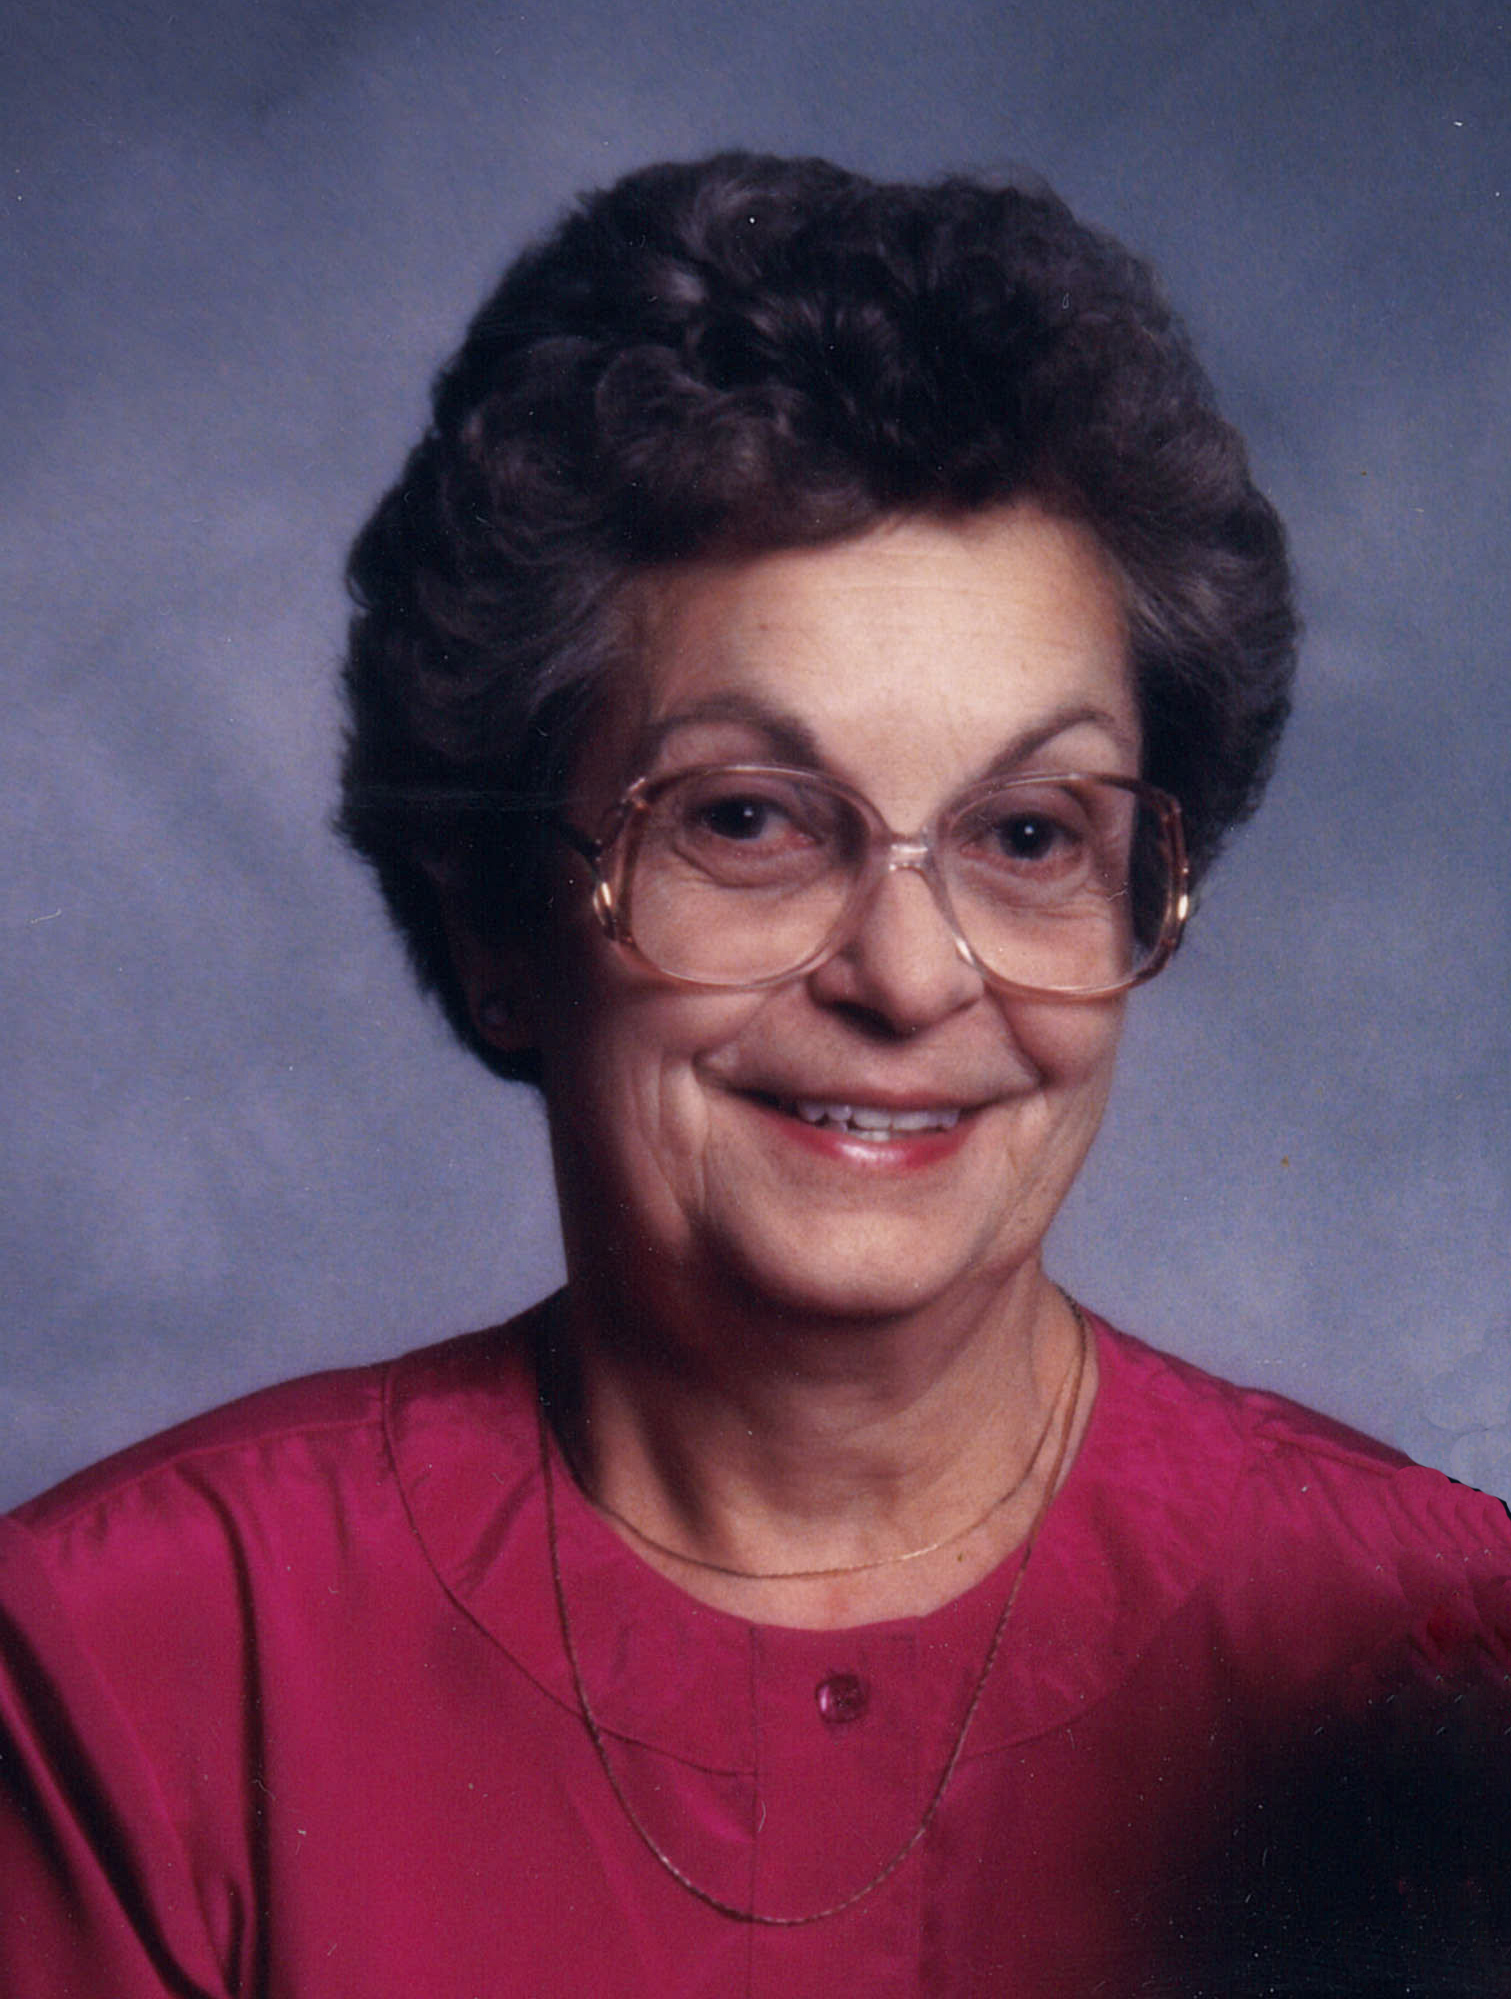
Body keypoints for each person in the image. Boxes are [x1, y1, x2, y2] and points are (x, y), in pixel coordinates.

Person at [2, 153, 1508, 1997]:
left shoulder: (1454, 1651)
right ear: (496, 917)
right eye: (746, 819)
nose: (907, 975)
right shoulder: (122, 1667)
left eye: (1029, 834)